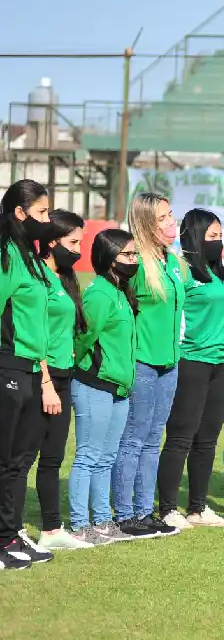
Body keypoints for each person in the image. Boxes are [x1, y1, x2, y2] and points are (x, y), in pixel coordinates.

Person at [111, 192, 187, 540]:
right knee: (134, 438)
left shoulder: (172, 261)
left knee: (153, 439)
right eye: (163, 218)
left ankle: (145, 510)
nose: (171, 223)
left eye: (171, 215)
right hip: (142, 362)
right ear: (145, 224)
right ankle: (125, 515)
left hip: (169, 363)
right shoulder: (137, 263)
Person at [156, 209, 224, 530]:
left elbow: (221, 301)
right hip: (191, 361)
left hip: (220, 363)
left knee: (207, 440)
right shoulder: (182, 268)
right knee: (180, 437)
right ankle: (166, 508)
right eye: (212, 236)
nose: (218, 242)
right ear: (195, 235)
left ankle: (198, 508)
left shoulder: (217, 272)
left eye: (220, 236)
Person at [68, 229, 141, 546]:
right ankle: (79, 524)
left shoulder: (121, 292)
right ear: (108, 258)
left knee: (106, 457)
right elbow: (83, 338)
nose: (133, 260)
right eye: (128, 255)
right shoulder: (98, 294)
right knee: (88, 455)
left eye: (134, 254)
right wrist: (83, 367)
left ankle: (102, 521)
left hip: (119, 388)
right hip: (94, 385)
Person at [0, 180, 56, 569]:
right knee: (4, 461)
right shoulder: (4, 254)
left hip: (33, 369)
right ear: (20, 214)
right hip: (7, 365)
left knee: (19, 462)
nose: (47, 220)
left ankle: (11, 533)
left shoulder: (29, 256)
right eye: (42, 213)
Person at [29, 210, 91, 551]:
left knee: (53, 457)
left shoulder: (66, 278)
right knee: (20, 458)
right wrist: (46, 382)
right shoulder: (36, 276)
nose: (78, 249)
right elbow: (33, 331)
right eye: (72, 242)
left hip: (64, 376)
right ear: (51, 242)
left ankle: (52, 530)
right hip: (41, 377)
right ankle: (8, 531)